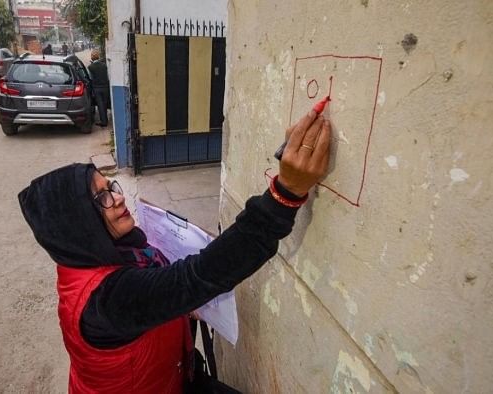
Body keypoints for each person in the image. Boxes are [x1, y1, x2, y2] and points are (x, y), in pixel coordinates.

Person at [18, 109, 331, 393]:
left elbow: (166, 289)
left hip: (172, 374)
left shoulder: (110, 253)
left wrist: (179, 305)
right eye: (100, 199)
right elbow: (196, 278)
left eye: (111, 187)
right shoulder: (108, 300)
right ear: (78, 226)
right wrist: (285, 193)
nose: (118, 199)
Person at [87, 49, 110, 127]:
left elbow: (91, 78)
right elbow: (107, 76)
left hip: (97, 88)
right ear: (98, 56)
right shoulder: (104, 65)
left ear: (92, 57)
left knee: (100, 105)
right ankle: (105, 120)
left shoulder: (90, 67)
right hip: (105, 87)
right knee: (105, 104)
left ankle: (103, 122)